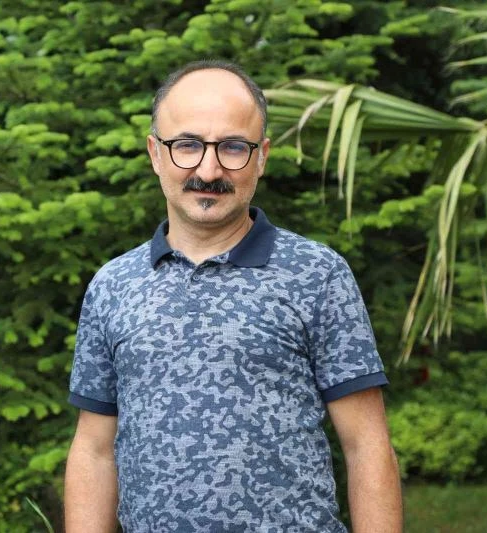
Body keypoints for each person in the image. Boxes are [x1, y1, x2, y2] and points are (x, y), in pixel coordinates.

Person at [64, 59, 402, 533]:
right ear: (155, 153)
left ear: (261, 157)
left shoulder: (317, 274)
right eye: (186, 145)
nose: (209, 169)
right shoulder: (112, 286)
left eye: (233, 147)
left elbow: (367, 445)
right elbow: (94, 449)